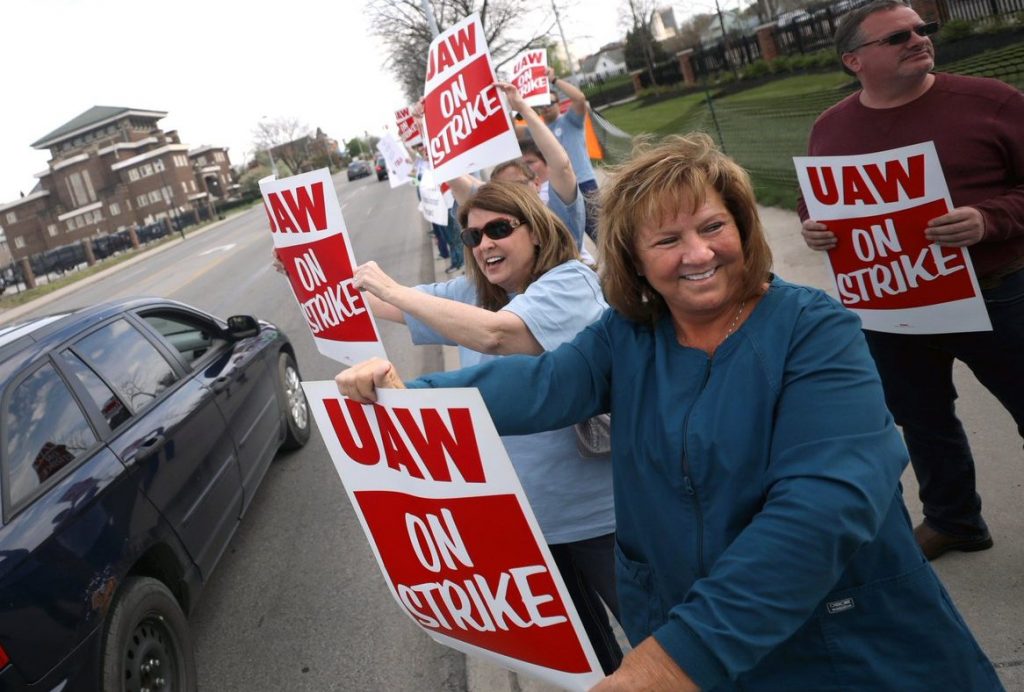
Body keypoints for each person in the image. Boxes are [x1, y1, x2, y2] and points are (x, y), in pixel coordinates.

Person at [338, 134, 1001, 690]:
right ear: (632, 259)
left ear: (742, 226)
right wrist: (405, 400)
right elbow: (538, 386)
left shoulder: (815, 330)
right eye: (667, 240)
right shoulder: (628, 333)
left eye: (713, 226)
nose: (697, 253)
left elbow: (825, 507)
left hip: (840, 645)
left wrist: (676, 657)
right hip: (693, 637)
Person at [350, 180, 623, 674]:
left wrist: (390, 288)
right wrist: (319, 278)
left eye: (499, 229)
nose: (484, 244)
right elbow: (388, 303)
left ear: (536, 231)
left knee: (657, 647)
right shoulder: (474, 293)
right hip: (528, 524)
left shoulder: (569, 281)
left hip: (602, 519)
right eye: (473, 237)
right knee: (590, 662)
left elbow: (499, 336)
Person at [798, 0, 1024, 561]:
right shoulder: (831, 127)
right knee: (921, 418)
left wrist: (988, 220)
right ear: (854, 60)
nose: (919, 39)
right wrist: (814, 228)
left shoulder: (992, 103)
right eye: (898, 37)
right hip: (894, 302)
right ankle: (953, 520)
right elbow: (817, 200)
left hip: (1000, 289)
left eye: (923, 30)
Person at [536, 67, 600, 242]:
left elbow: (579, 98)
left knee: (602, 234)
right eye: (541, 105)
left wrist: (554, 80)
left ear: (558, 104)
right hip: (559, 192)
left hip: (583, 183)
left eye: (550, 103)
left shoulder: (570, 121)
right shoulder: (539, 132)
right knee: (569, 241)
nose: (546, 107)